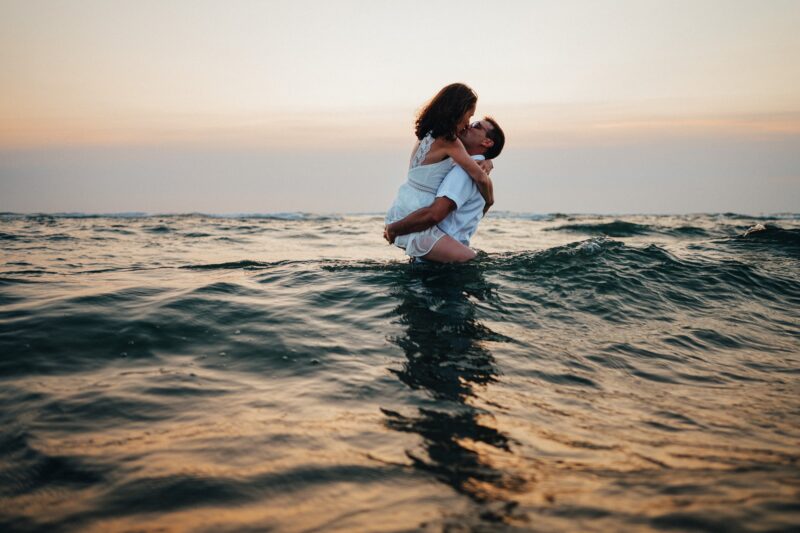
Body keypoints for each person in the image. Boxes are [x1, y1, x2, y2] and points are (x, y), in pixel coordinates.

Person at [385, 83, 495, 261]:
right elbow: (479, 177)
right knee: (471, 259)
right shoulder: (450, 140)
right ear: (459, 110)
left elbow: (470, 162)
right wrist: (489, 201)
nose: (468, 123)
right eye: (470, 115)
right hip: (418, 216)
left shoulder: (428, 135)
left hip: (404, 207)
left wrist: (488, 162)